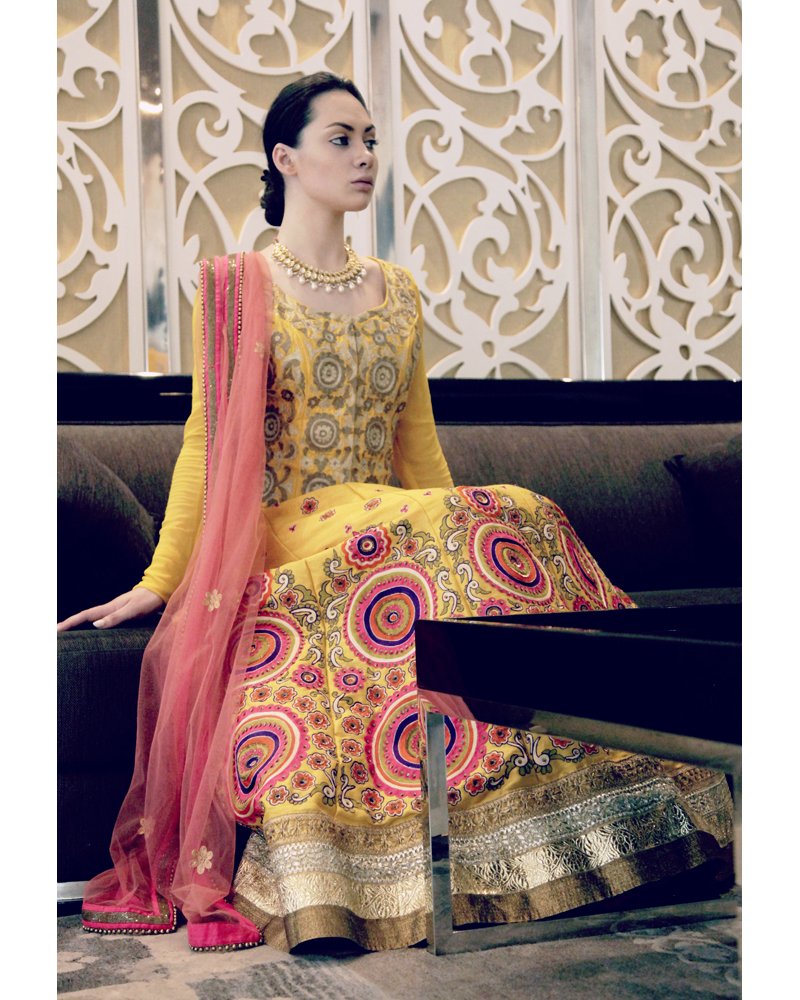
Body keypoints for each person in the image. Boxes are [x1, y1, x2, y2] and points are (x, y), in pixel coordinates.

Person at [58, 72, 734, 953]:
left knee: (520, 511)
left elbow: (421, 453)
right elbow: (206, 444)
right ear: (285, 158)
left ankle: (608, 816)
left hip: (393, 528)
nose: (365, 156)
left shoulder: (400, 291)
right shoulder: (236, 286)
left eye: (370, 139)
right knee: (447, 527)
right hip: (292, 534)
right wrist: (161, 581)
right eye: (341, 139)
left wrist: (465, 527)